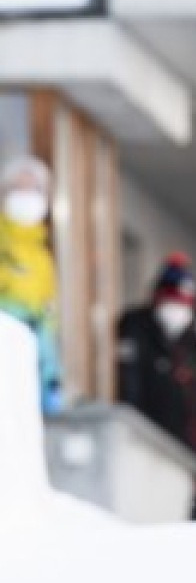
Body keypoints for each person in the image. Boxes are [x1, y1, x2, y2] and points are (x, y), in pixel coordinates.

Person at [117, 252, 196, 517]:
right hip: (153, 439)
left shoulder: (193, 340)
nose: (175, 310)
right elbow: (130, 390)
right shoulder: (137, 327)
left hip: (194, 445)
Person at [0, 155, 61, 413]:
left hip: (29, 372)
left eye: (35, 190)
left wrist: (50, 377)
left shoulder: (43, 258)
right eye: (19, 188)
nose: (27, 197)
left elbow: (48, 320)